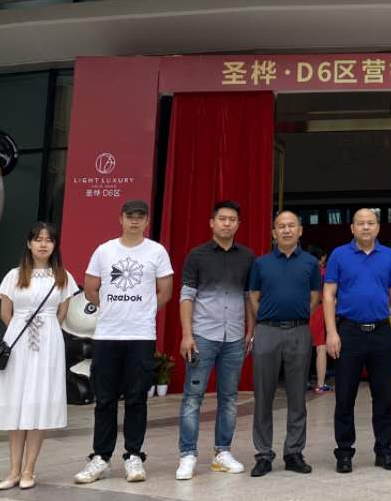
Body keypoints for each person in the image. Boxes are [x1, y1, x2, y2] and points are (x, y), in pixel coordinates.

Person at [74, 200, 174, 485]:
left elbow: (165, 291)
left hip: (141, 336)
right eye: (130, 216)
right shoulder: (104, 250)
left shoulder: (156, 251)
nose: (134, 221)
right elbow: (90, 288)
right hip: (107, 335)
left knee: (136, 398)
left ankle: (133, 455)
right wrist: (110, 308)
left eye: (140, 217)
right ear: (121, 219)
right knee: (104, 399)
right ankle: (100, 457)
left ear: (147, 221)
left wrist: (144, 310)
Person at [0, 223, 76, 489]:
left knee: (39, 401)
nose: (43, 244)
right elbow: (6, 313)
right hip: (17, 342)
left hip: (49, 342)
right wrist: (22, 331)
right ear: (29, 243)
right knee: (17, 401)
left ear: (55, 245)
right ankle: (13, 471)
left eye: (48, 240)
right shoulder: (14, 275)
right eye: (38, 239)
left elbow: (61, 314)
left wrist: (44, 330)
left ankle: (29, 470)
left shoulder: (63, 276)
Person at [175, 199, 255, 480]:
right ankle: (187, 455)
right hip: (202, 336)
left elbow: (248, 297)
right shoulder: (197, 256)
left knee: (229, 398)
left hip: (234, 337)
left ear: (238, 224)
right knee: (192, 397)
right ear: (212, 223)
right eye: (222, 219)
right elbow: (186, 297)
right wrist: (187, 334)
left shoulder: (247, 257)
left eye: (232, 219)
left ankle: (222, 452)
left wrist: (250, 330)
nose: (227, 223)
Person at [323, 207, 391, 472]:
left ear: (378, 227)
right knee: (344, 397)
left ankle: (384, 451)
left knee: (383, 397)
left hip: (381, 332)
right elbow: (328, 295)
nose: (366, 227)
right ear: (352, 228)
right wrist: (331, 332)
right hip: (349, 332)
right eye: (361, 223)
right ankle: (344, 453)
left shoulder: (388, 256)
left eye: (371, 223)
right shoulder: (339, 255)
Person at [248, 210, 321, 476]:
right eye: (281, 226)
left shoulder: (310, 263)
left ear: (300, 231)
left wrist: (297, 316)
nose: (287, 230)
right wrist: (267, 318)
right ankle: (263, 454)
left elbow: (315, 296)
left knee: (297, 395)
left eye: (292, 226)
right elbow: (253, 296)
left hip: (298, 331)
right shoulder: (261, 263)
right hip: (266, 332)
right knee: (263, 395)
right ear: (273, 233)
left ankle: (294, 452)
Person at [308, 249, 330, 394]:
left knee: (302, 347)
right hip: (318, 309)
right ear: (322, 257)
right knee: (321, 347)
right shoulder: (323, 272)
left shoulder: (302, 269)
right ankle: (321, 384)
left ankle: (302, 382)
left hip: (302, 309)